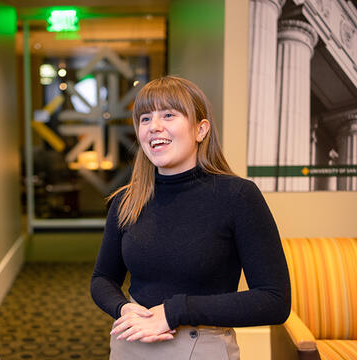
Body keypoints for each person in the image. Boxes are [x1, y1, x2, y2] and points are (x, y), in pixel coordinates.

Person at [90, 75, 291, 360]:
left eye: (169, 115)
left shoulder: (238, 196)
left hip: (202, 348)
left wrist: (176, 312)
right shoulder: (126, 200)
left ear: (201, 129)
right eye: (145, 118)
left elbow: (274, 300)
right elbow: (102, 278)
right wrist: (122, 308)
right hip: (130, 345)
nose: (154, 126)